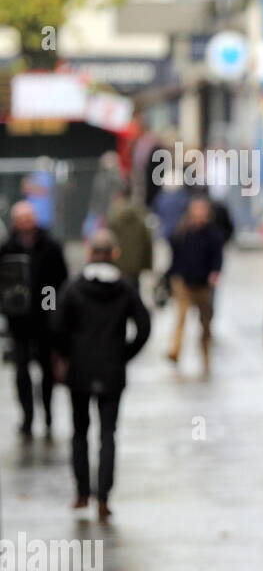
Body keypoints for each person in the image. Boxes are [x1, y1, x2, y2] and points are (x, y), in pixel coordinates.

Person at [51, 230, 151, 524]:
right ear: (115, 254)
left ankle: (82, 493)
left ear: (88, 252)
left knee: (80, 431)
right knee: (108, 433)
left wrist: (67, 355)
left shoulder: (72, 288)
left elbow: (56, 326)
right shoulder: (125, 288)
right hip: (111, 370)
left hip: (80, 370)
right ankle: (104, 497)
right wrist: (124, 354)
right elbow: (143, 327)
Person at [0, 201, 69, 439]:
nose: (26, 223)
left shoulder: (50, 246)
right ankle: (27, 416)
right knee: (21, 371)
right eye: (21, 219)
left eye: (29, 218)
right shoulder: (7, 248)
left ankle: (48, 413)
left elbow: (60, 281)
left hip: (44, 319)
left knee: (47, 369)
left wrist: (52, 310)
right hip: (18, 320)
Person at [166, 197, 223, 374]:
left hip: (203, 284)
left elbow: (217, 257)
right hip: (183, 282)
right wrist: (172, 276)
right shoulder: (183, 232)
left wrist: (215, 273)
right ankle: (175, 351)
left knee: (205, 323)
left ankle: (206, 357)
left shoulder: (213, 233)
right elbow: (175, 255)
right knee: (180, 318)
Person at [105, 184, 154, 292]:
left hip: (117, 265)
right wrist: (147, 265)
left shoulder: (112, 217)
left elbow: (107, 242)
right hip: (135, 267)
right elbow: (147, 243)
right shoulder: (140, 216)